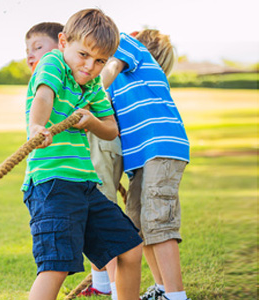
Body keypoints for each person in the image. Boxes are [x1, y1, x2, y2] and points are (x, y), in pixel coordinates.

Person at [22, 9, 143, 300]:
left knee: (130, 248)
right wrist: (38, 126)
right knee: (56, 266)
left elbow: (111, 129)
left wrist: (92, 122)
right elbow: (43, 95)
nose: (90, 66)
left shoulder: (92, 86)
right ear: (63, 42)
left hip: (85, 186)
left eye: (101, 60)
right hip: (52, 183)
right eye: (84, 54)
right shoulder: (53, 62)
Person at [100, 29, 191, 300]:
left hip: (159, 148)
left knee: (158, 220)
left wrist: (88, 90)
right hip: (140, 158)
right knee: (138, 225)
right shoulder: (123, 81)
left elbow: (112, 64)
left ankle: (176, 296)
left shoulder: (129, 46)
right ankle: (162, 289)